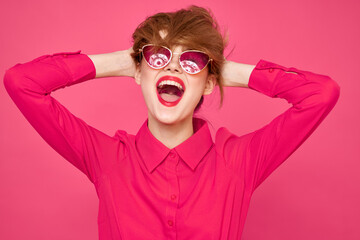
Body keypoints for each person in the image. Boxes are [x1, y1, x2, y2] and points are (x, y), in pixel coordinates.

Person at [3, 5, 340, 240]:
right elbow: (22, 82)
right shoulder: (106, 158)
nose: (174, 68)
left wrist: (222, 69)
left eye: (191, 60)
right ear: (137, 70)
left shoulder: (239, 161)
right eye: (159, 55)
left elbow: (321, 94)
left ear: (210, 82)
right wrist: (127, 60)